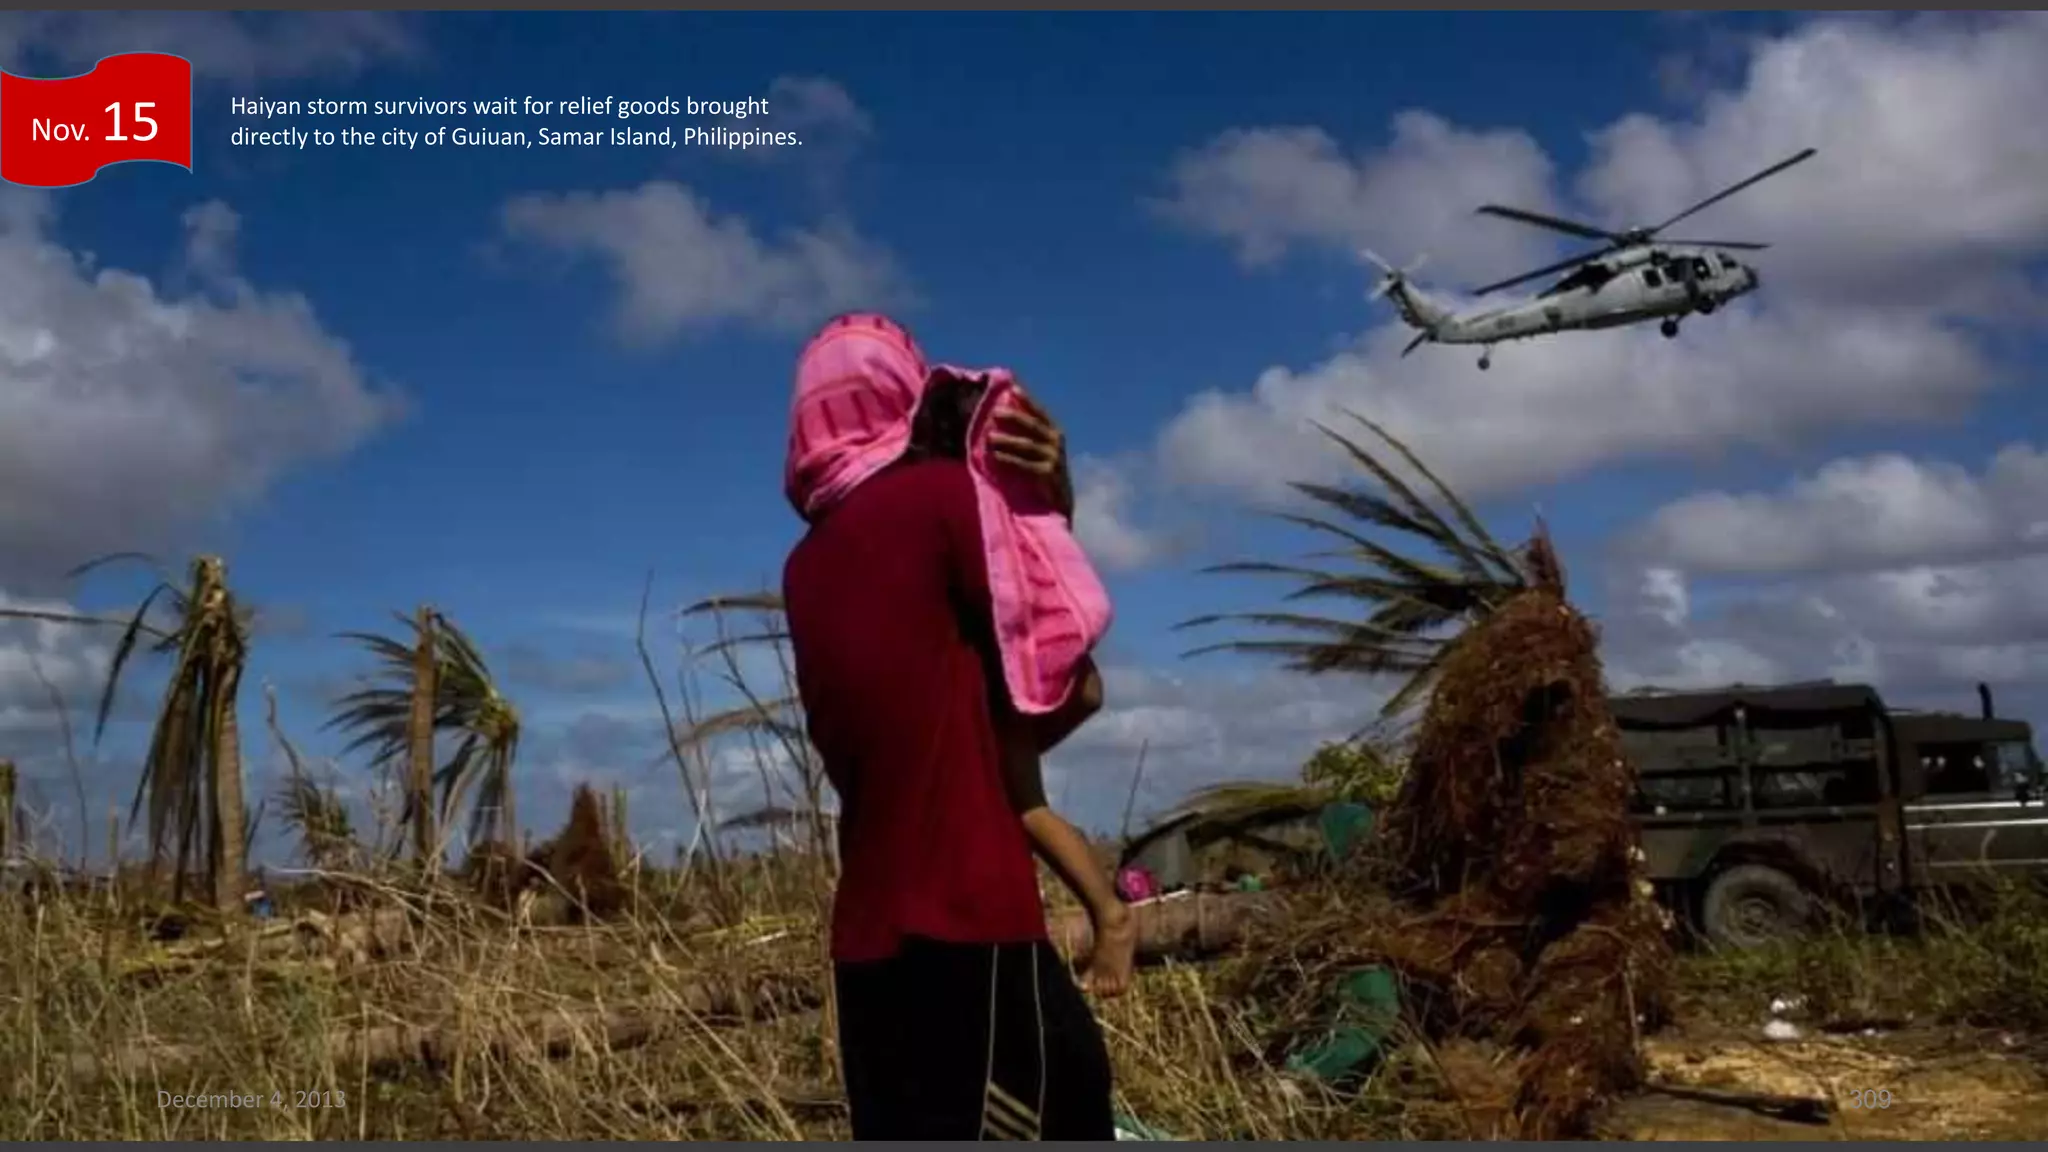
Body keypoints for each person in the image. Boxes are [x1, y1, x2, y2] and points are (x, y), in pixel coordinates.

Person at [781, 314, 1137, 1141]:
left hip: (866, 946)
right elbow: (1060, 648)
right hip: (969, 925)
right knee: (1066, 1105)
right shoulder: (941, 500)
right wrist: (1055, 495)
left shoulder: (804, 568)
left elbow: (908, 711)